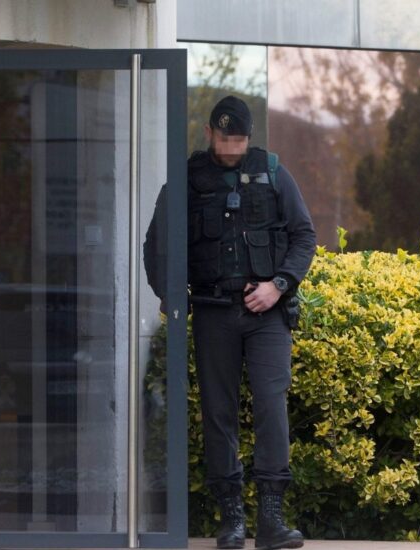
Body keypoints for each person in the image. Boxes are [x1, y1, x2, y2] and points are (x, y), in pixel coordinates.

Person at [144, 96, 315, 550]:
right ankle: (232, 518)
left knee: (270, 407)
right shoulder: (188, 179)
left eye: (239, 139)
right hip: (213, 313)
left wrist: (278, 285)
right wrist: (168, 296)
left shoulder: (274, 172)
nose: (233, 148)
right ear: (208, 133)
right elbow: (155, 242)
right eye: (225, 139)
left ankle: (272, 519)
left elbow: (304, 236)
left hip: (267, 316)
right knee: (218, 414)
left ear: (249, 137)